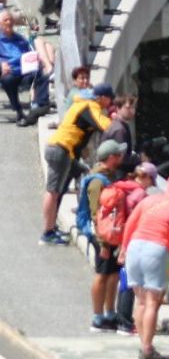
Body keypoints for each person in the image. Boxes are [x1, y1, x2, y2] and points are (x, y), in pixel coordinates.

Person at [119, 172, 169, 359]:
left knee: (141, 301)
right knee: (153, 302)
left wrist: (123, 249)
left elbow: (130, 224)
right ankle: (147, 348)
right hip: (157, 249)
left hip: (134, 246)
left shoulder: (148, 201)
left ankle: (144, 344)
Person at [40, 82, 114, 244]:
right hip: (61, 149)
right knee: (52, 192)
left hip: (61, 149)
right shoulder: (90, 105)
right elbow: (105, 126)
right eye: (110, 99)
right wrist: (115, 118)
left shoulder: (81, 103)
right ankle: (47, 233)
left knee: (59, 188)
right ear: (102, 98)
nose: (111, 102)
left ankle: (52, 227)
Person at [84, 138, 137, 332]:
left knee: (113, 274)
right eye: (119, 154)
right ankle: (97, 318)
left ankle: (110, 313)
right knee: (101, 274)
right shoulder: (97, 181)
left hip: (111, 234)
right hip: (102, 236)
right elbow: (95, 214)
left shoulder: (109, 176)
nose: (122, 157)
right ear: (112, 157)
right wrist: (102, 244)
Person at [0, 8, 50, 124]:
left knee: (41, 72)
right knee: (7, 79)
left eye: (11, 20)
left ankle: (40, 105)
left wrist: (35, 59)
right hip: (9, 71)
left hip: (24, 71)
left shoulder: (20, 39)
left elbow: (29, 53)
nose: (9, 22)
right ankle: (19, 111)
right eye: (6, 20)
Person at [103, 92, 138, 171]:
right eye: (128, 108)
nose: (132, 111)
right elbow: (120, 158)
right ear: (118, 108)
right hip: (114, 172)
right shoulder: (119, 129)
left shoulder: (119, 125)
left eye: (133, 107)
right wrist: (136, 160)